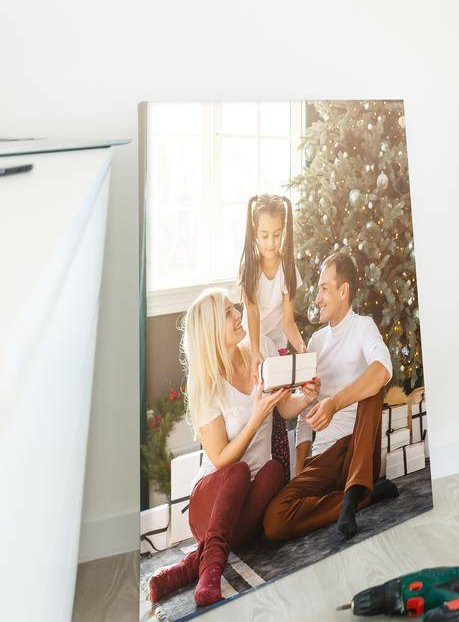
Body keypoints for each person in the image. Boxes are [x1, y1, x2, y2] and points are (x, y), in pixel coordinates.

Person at [143, 290, 298, 609]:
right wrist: (255, 419)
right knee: (238, 471)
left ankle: (191, 565)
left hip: (247, 504)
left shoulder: (260, 351)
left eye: (234, 308)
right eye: (229, 313)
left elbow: (285, 409)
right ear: (212, 329)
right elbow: (222, 459)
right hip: (211, 502)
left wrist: (308, 398)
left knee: (272, 472)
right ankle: (210, 573)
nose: (238, 314)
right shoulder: (205, 386)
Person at [262, 253, 398, 541]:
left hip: (355, 449)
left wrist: (334, 403)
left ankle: (355, 490)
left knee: (375, 383)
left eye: (324, 288)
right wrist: (301, 467)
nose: (318, 297)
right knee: (274, 521)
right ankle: (360, 498)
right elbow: (302, 417)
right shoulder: (315, 343)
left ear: (343, 291)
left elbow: (384, 369)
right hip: (323, 459)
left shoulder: (363, 327)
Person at [237, 192, 306, 476]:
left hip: (275, 350)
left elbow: (288, 322)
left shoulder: (288, 269)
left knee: (278, 414)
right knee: (253, 413)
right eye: (264, 235)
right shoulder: (249, 267)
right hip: (252, 348)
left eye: (276, 235)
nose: (270, 243)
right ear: (255, 232)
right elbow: (251, 313)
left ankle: (279, 476)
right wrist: (255, 354)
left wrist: (302, 349)